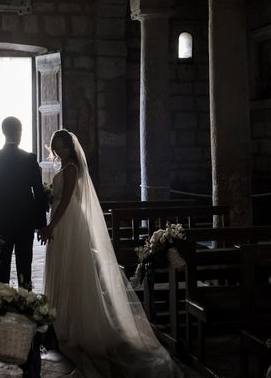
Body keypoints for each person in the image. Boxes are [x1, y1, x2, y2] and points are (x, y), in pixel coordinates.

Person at [39, 129, 185, 378]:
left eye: (63, 146)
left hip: (69, 222)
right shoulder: (63, 169)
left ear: (71, 148)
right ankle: (58, 317)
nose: (59, 150)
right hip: (61, 222)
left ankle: (73, 322)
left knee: (74, 269)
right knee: (60, 268)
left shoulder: (73, 168)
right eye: (56, 147)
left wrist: (52, 224)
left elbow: (65, 201)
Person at [0, 116, 48, 288]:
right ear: (19, 132)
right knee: (25, 268)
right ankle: (26, 304)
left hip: (1, 223)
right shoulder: (29, 159)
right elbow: (38, 194)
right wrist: (42, 224)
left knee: (1, 268)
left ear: (3, 132)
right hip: (25, 221)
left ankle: (3, 304)